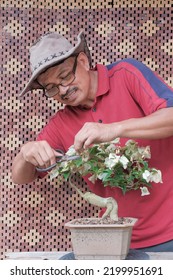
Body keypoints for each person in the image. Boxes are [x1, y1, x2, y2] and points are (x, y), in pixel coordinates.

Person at [12, 30, 173, 258]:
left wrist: (114, 128)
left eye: (65, 76)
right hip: (113, 239)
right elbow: (21, 177)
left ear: (84, 61)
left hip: (169, 234)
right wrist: (25, 154)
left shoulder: (126, 74)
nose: (63, 91)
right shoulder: (61, 123)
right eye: (52, 88)